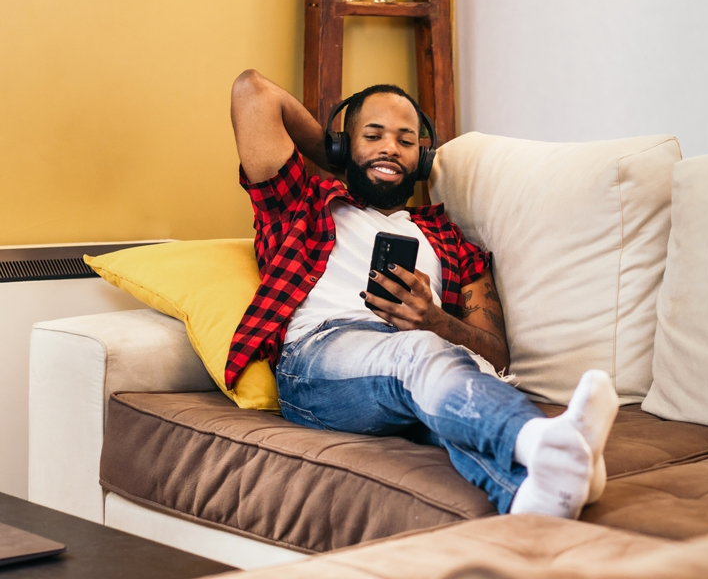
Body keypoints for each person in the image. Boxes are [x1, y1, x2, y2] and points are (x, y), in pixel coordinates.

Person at [226, 69, 618, 518]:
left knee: (453, 389)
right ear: (343, 145)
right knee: (416, 353)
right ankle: (545, 437)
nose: (390, 147)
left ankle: (542, 492)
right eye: (372, 136)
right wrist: (333, 155)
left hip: (418, 361)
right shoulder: (302, 204)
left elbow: (498, 355)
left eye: (405, 140)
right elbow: (251, 92)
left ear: (422, 157)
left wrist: (435, 320)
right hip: (317, 364)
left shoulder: (451, 241)